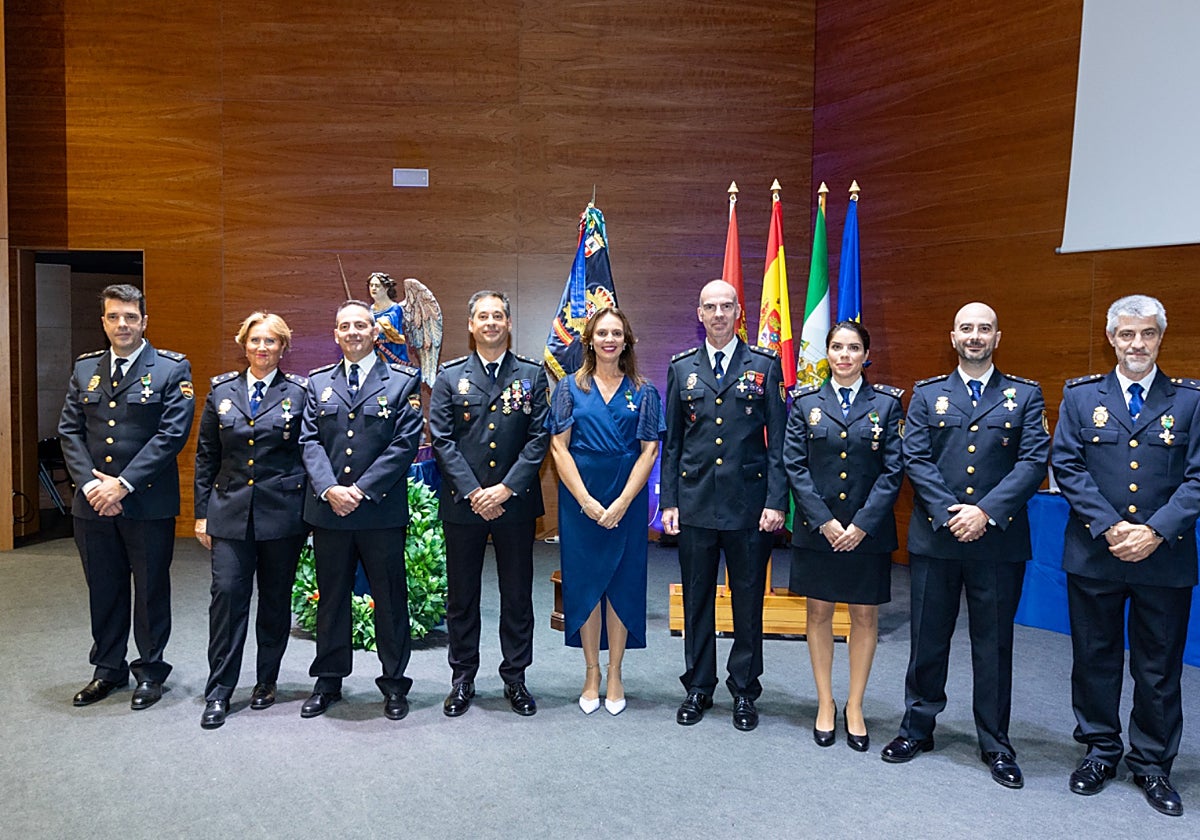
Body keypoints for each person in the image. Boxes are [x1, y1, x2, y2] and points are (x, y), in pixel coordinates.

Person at [881, 301, 1049, 789]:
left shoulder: (1025, 395)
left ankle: (995, 742)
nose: (975, 336)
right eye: (966, 329)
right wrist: (951, 513)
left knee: (993, 645)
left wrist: (984, 512)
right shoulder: (928, 394)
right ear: (953, 337)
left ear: (998, 337)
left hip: (997, 540)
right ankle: (917, 727)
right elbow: (914, 455)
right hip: (937, 536)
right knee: (926, 640)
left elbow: (1032, 462)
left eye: (985, 329)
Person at [1051, 294, 1200, 817]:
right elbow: (1066, 465)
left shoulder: (1190, 401)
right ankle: (1099, 750)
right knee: (1095, 657)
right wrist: (1113, 526)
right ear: (1111, 338)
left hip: (1165, 556)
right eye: (1127, 334)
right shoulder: (1079, 396)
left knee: (1159, 666)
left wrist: (1154, 531)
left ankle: (1153, 764)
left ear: (1161, 337)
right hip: (1097, 551)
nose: (1137, 344)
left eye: (1148, 334)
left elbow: (1198, 477)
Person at [58, 283, 195, 710]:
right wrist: (93, 484)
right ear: (103, 321)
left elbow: (171, 434)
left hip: (146, 502)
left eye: (130, 317)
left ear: (144, 322)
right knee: (104, 587)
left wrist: (123, 484)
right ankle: (108, 669)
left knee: (150, 589)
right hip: (92, 504)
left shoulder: (172, 369)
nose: (122, 324)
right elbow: (69, 431)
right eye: (114, 317)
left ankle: (150, 671)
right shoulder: (85, 370)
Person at [661, 279, 787, 731]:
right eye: (710, 306)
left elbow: (780, 443)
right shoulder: (681, 369)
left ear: (739, 313)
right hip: (695, 505)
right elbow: (672, 442)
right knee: (696, 600)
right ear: (698, 314)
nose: (718, 314)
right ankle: (698, 686)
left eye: (726, 306)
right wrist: (669, 501)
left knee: (747, 602)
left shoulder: (764, 366)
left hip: (749, 508)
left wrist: (777, 501)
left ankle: (744, 691)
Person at [298, 300, 424, 721]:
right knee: (331, 598)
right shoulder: (317, 383)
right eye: (344, 326)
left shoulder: (402, 381)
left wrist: (360, 490)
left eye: (361, 325)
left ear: (376, 332)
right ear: (335, 334)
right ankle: (328, 681)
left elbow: (404, 444)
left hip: (380, 512)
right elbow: (309, 441)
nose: (352, 332)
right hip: (329, 510)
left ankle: (393, 685)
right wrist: (331, 488)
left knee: (389, 599)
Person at [429, 290, 550, 717]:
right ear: (471, 325)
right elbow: (441, 440)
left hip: (514, 505)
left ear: (509, 323)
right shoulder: (450, 377)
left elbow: (539, 439)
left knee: (517, 595)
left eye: (498, 316)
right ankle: (463, 679)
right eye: (483, 316)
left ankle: (515, 678)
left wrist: (506, 489)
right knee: (463, 597)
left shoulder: (532, 376)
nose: (491, 323)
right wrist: (475, 491)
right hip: (464, 505)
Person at [785, 321, 904, 751]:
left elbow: (894, 471)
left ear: (865, 354)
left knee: (864, 618)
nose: (844, 355)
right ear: (828, 352)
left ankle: (854, 705)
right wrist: (826, 521)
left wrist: (860, 525)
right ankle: (824, 702)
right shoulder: (804, 402)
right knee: (817, 615)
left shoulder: (887, 405)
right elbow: (794, 465)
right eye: (837, 347)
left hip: (866, 534)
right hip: (819, 531)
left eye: (853, 348)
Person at [193, 312, 309, 729]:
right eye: (256, 340)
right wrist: (202, 514)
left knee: (275, 602)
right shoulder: (220, 390)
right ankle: (220, 690)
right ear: (243, 344)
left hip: (282, 516)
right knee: (226, 597)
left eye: (272, 341)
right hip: (229, 514)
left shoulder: (299, 392)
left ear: (283, 348)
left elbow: (307, 454)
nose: (263, 348)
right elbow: (207, 454)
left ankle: (266, 680)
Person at [548, 307, 664, 716]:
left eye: (617, 333)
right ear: (590, 340)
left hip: (626, 500)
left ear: (627, 340)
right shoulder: (568, 388)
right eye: (602, 333)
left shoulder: (644, 391)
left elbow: (649, 450)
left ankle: (616, 672)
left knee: (622, 583)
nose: (609, 339)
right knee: (587, 584)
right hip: (581, 498)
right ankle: (591, 672)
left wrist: (623, 502)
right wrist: (586, 500)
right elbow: (559, 447)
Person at [367, 272, 410, 364]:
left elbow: (386, 323)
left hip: (393, 352)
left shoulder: (395, 308)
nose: (373, 288)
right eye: (371, 285)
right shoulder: (369, 310)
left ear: (386, 288)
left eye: (377, 286)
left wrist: (367, 330)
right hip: (375, 353)